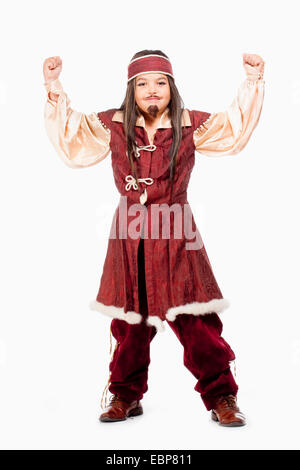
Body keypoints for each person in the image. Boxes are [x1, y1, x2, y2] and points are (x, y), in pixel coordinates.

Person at [43, 50, 265, 427]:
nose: (152, 90)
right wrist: (53, 87)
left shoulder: (189, 124)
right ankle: (125, 395)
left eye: (160, 83)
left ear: (171, 87)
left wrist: (252, 81)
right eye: (143, 83)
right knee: (131, 321)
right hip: (129, 232)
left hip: (178, 228)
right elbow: (71, 139)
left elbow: (235, 128)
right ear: (132, 90)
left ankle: (221, 396)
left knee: (195, 318)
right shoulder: (112, 125)